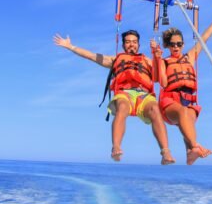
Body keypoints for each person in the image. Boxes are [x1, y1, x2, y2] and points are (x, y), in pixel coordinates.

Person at [53, 29, 175, 165]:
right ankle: (116, 147)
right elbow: (92, 56)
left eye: (134, 42)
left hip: (143, 95)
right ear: (123, 45)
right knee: (122, 107)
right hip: (124, 94)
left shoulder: (147, 60)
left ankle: (165, 152)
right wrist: (71, 46)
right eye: (128, 42)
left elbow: (160, 79)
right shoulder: (115, 59)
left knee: (155, 109)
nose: (131, 45)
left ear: (139, 45)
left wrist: (157, 57)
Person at [151, 7, 212, 165]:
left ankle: (190, 154)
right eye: (172, 44)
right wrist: (157, 59)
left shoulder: (190, 57)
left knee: (188, 116)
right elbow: (163, 83)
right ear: (167, 46)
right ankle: (195, 146)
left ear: (183, 44)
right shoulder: (164, 61)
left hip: (188, 101)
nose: (176, 47)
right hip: (169, 104)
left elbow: (204, 37)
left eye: (179, 43)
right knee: (183, 112)